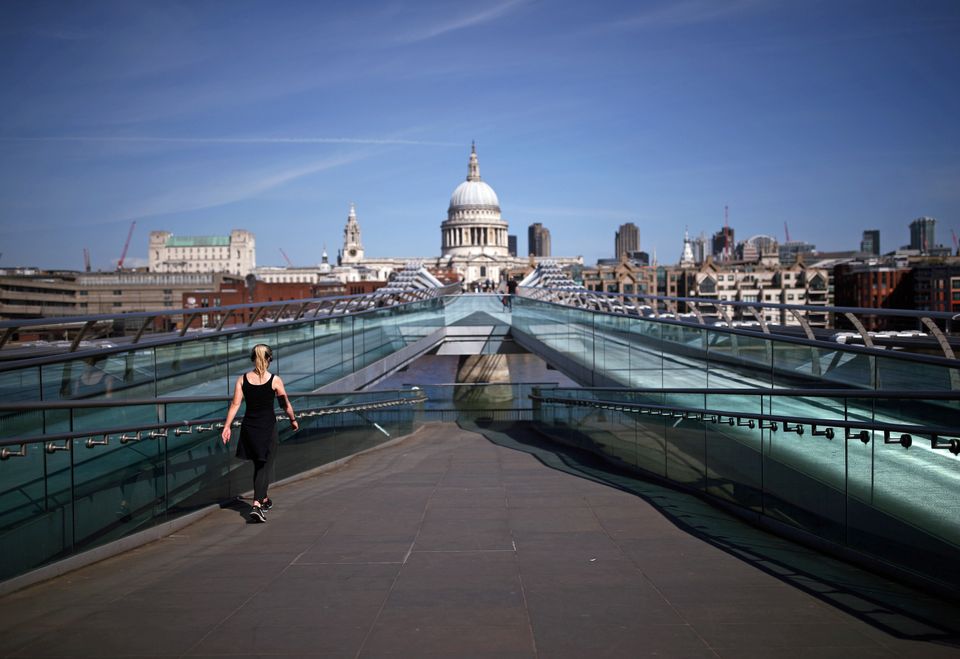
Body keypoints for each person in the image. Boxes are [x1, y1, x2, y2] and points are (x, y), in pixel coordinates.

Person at [221, 343, 298, 523]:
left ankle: (263, 499)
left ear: (253, 359)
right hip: (267, 428)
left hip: (250, 428)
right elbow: (285, 405)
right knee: (265, 465)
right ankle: (256, 505)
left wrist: (227, 426)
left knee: (259, 464)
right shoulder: (275, 380)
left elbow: (235, 405)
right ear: (269, 359)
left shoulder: (242, 380)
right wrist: (293, 420)